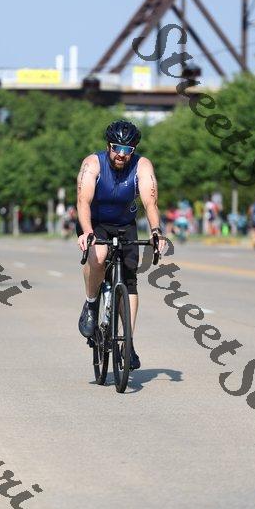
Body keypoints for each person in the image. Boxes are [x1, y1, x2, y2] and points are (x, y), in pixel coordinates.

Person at [76, 119, 166, 370]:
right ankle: (91, 303)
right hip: (95, 222)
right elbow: (83, 201)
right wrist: (87, 232)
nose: (121, 154)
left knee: (129, 279)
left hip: (125, 224)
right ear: (108, 146)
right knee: (99, 256)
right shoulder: (92, 164)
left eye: (127, 150)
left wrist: (156, 231)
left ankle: (128, 343)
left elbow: (150, 202)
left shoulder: (142, 166)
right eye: (116, 148)